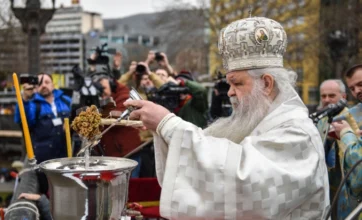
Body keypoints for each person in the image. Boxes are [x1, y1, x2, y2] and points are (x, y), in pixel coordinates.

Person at [124, 16, 329, 219]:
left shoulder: (296, 132)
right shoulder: (263, 118)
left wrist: (167, 124)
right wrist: (162, 128)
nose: (230, 93)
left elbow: (245, 184)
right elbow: (221, 153)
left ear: (267, 84)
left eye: (237, 83)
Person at [14, 73, 71, 164]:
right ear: (35, 87)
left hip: (67, 155)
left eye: (47, 82)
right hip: (43, 159)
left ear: (53, 84)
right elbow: (22, 121)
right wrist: (24, 98)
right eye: (40, 83)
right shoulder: (32, 104)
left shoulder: (65, 100)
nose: (44, 85)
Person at [331, 64, 362, 220]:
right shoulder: (351, 114)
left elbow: (358, 174)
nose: (357, 91)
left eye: (360, 84)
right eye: (352, 88)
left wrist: (346, 134)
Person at [315, 79, 347, 219]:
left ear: (343, 96)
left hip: (347, 186)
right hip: (326, 186)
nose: (327, 100)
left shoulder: (354, 118)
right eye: (323, 96)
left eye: (332, 96)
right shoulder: (320, 120)